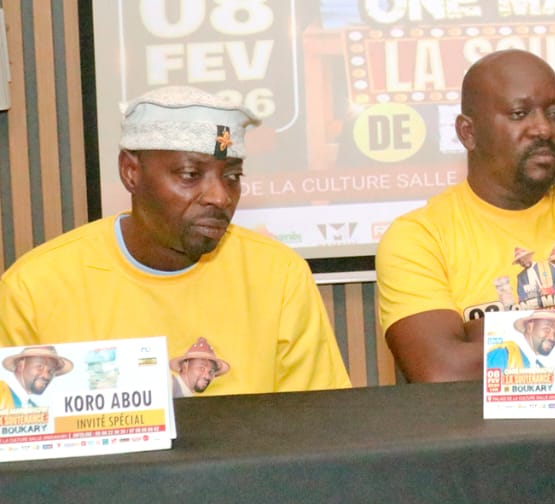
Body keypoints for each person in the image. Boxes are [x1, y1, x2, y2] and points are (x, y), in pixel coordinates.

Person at [0, 87, 352, 395]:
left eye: (232, 176)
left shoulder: (278, 275)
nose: (220, 196)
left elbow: (317, 422)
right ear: (130, 171)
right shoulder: (36, 287)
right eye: (190, 174)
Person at [377, 49, 555, 382]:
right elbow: (443, 370)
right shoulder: (417, 237)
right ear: (468, 132)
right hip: (479, 420)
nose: (543, 129)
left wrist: (487, 336)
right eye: (519, 113)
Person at [485, 308, 555, 368]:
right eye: (546, 329)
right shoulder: (504, 355)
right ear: (530, 327)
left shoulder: (541, 369)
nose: (552, 338)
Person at [1, 345, 74, 409]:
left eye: (51, 371)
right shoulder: (2, 393)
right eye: (40, 367)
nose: (46, 376)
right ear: (21, 365)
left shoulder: (34, 409)